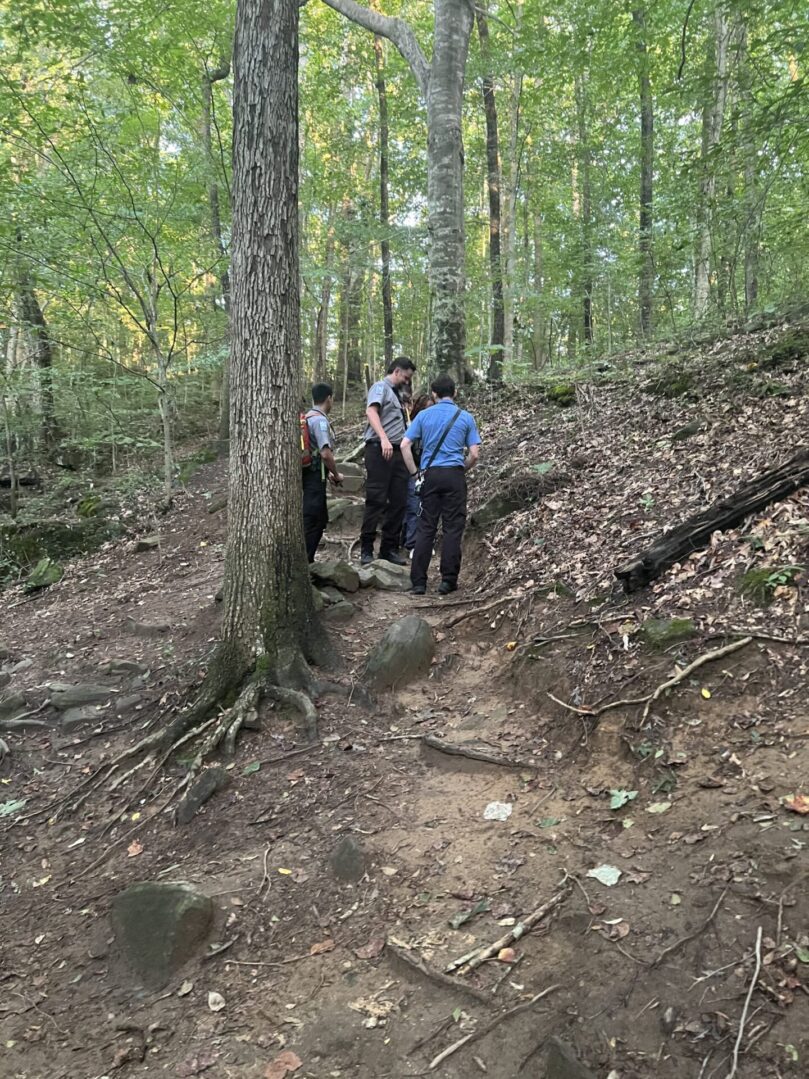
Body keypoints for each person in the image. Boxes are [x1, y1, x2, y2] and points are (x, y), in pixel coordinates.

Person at [400, 374, 481, 595]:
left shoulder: (424, 416)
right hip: (454, 476)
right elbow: (474, 454)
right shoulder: (465, 417)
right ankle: (448, 581)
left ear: (434, 394)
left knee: (426, 526)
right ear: (454, 392)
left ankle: (418, 582)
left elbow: (405, 445)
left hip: (430, 475)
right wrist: (460, 469)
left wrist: (415, 473)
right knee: (453, 528)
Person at [360, 356, 416, 566]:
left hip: (399, 452)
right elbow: (371, 411)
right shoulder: (380, 387)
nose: (407, 381)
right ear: (397, 372)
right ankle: (366, 548)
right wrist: (383, 437)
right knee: (376, 500)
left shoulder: (399, 396)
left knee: (399, 500)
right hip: (379, 449)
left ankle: (388, 548)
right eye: (406, 377)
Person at [302, 383, 342, 563]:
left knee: (313, 517)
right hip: (314, 477)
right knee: (314, 520)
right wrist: (336, 474)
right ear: (329, 398)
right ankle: (307, 561)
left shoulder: (308, 417)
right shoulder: (320, 421)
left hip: (306, 475)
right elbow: (326, 454)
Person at [401, 393, 433, 554]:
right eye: (426, 409)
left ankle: (424, 541)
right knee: (413, 505)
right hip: (413, 470)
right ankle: (412, 543)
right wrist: (414, 472)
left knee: (427, 506)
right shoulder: (411, 425)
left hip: (429, 469)